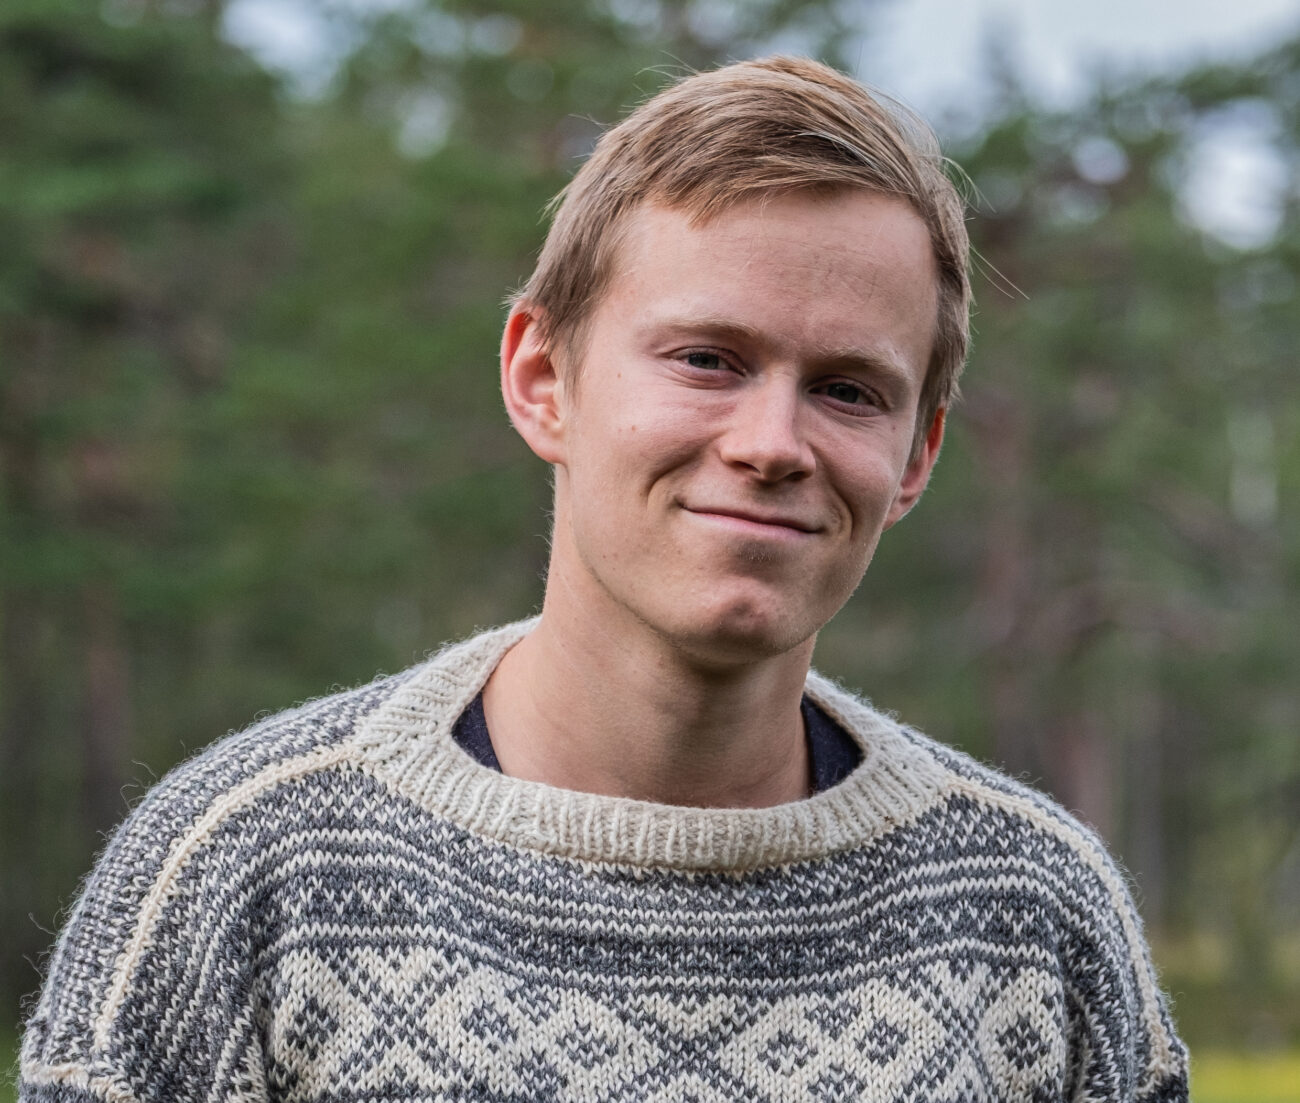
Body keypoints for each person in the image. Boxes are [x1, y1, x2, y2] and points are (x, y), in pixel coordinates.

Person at [20, 56, 1188, 1101]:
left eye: (847, 389)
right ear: (541, 377)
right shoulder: (246, 874)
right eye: (706, 360)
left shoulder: (1033, 916)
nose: (771, 440)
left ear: (916, 455)